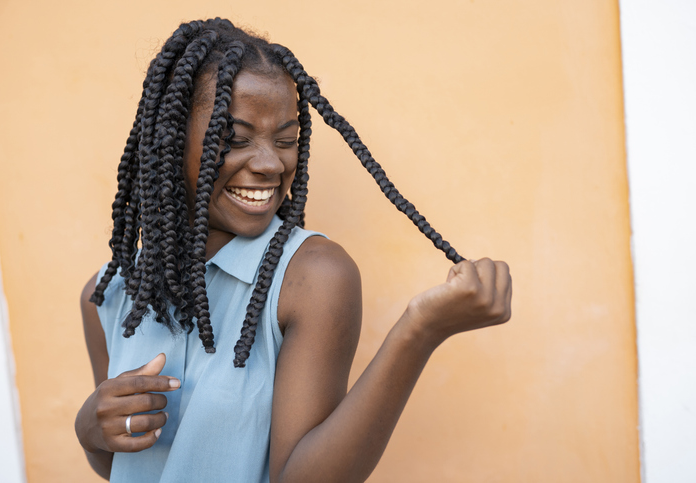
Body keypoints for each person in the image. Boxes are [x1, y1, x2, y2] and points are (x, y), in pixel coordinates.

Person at [75, 18, 512, 483]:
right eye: (237, 139)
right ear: (170, 137)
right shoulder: (111, 295)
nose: (270, 164)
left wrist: (420, 330)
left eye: (286, 141)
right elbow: (125, 463)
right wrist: (91, 432)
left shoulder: (311, 278)